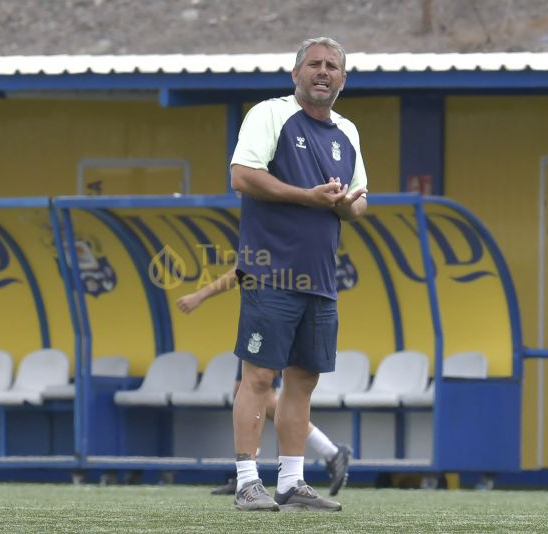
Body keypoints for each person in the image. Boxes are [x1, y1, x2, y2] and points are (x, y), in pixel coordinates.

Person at [227, 36, 368, 512]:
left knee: (303, 381)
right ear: (296, 74)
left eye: (332, 66)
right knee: (259, 377)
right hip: (270, 271)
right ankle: (248, 481)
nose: (323, 72)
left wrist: (346, 205)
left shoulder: (347, 131)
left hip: (320, 278)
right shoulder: (269, 114)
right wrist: (307, 196)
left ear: (343, 80)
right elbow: (243, 175)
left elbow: (360, 199)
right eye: (314, 64)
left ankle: (291, 483)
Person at [177, 267, 352, 497]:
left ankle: (323, 452)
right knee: (251, 390)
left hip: (278, 309)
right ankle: (253, 472)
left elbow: (241, 269)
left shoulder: (272, 243)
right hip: (268, 307)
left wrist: (199, 296)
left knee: (262, 391)